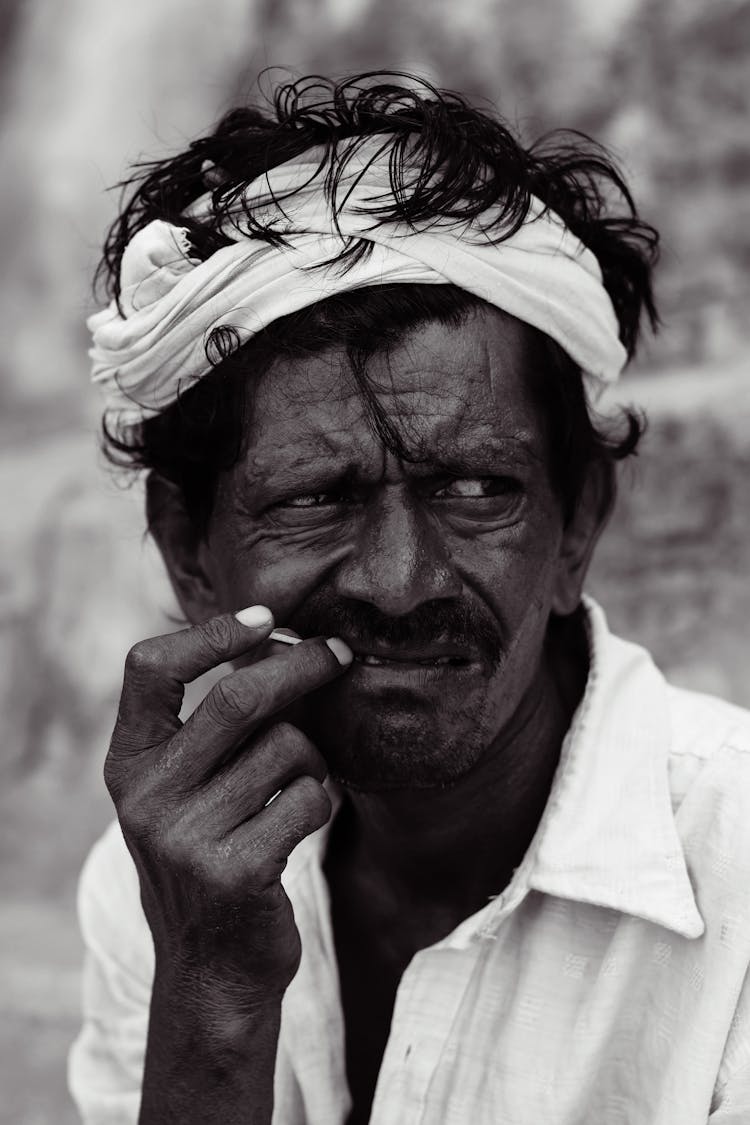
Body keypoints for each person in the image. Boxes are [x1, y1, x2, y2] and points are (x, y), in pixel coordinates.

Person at [68, 73, 750, 1125]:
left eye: (475, 489)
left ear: (576, 527)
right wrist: (210, 998)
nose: (400, 581)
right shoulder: (164, 883)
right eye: (312, 499)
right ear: (187, 550)